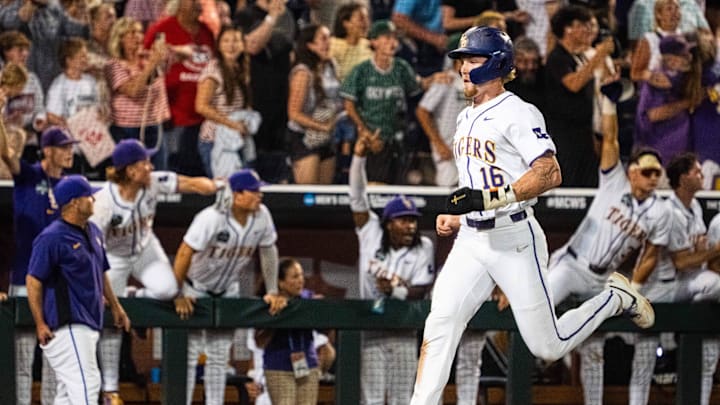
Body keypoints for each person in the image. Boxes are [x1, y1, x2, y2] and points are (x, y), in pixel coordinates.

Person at [409, 26, 655, 405]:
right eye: (461, 60)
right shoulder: (464, 117)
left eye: (471, 60)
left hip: (514, 239)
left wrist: (490, 200)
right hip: (472, 240)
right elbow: (479, 186)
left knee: (548, 345)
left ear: (496, 64)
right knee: (440, 324)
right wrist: (462, 216)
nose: (462, 68)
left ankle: (613, 299)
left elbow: (550, 173)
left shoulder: (519, 112)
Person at [546, 109, 672, 405]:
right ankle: (540, 363)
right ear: (632, 171)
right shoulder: (614, 181)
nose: (653, 177)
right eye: (647, 171)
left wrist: (636, 287)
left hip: (602, 279)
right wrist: (610, 105)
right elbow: (611, 139)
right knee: (538, 309)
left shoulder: (661, 210)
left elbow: (651, 253)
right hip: (572, 265)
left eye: (657, 172)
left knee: (594, 349)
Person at [90, 139, 221, 403]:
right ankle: (111, 388)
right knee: (112, 322)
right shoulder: (103, 202)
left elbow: (193, 183)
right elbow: (94, 251)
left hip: (145, 249)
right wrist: (101, 288)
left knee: (169, 289)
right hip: (113, 257)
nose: (150, 166)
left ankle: (134, 296)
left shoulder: (153, 182)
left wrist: (216, 185)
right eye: (144, 163)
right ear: (130, 171)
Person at [172, 168, 287, 405]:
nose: (260, 196)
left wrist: (273, 290)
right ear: (237, 195)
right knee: (190, 354)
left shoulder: (262, 215)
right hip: (196, 287)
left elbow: (268, 251)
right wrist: (178, 292)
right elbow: (184, 252)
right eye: (254, 192)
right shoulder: (211, 218)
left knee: (219, 355)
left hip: (228, 290)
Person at [26, 174, 131, 404]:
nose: (93, 198)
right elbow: (33, 280)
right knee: (88, 383)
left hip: (89, 322)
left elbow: (101, 271)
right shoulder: (51, 237)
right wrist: (40, 323)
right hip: (67, 325)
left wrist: (116, 306)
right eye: (88, 196)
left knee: (67, 394)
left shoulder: (93, 230)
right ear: (74, 202)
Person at [349, 129, 436, 404]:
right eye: (403, 219)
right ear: (388, 222)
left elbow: (421, 291)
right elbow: (357, 198)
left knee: (402, 399)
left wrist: (394, 290)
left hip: (402, 330)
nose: (410, 224)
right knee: (371, 400)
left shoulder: (424, 246)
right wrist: (358, 159)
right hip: (371, 330)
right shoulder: (371, 232)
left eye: (412, 219)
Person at [627, 152, 720, 405]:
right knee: (644, 358)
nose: (702, 176)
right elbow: (681, 262)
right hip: (659, 288)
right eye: (696, 172)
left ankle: (690, 321)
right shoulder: (670, 211)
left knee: (713, 286)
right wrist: (713, 250)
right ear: (682, 179)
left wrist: (703, 252)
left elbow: (694, 257)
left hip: (683, 285)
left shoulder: (696, 207)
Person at [0, 123, 78, 405]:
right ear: (47, 150)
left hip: (59, 285)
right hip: (25, 277)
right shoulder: (31, 176)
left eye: (71, 146)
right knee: (22, 359)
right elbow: (6, 154)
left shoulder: (72, 186)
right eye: (64, 147)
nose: (70, 152)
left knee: (55, 362)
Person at [340, 20, 424, 184]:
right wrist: (365, 132)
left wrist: (435, 79)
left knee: (400, 186)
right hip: (374, 139)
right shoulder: (362, 70)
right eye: (386, 38)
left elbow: (416, 87)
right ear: (374, 41)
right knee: (375, 186)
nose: (392, 42)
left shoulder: (402, 67)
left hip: (399, 138)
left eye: (394, 38)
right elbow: (349, 105)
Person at [545, 4, 614, 187]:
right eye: (581, 25)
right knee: (571, 184)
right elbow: (573, 84)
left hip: (585, 133)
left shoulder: (580, 56)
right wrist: (599, 55)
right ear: (567, 29)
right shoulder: (557, 58)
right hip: (564, 137)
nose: (587, 30)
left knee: (589, 183)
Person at [144, 0, 215, 174]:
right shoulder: (162, 29)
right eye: (193, 2)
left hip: (204, 116)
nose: (198, 6)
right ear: (181, 3)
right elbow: (144, 61)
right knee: (173, 170)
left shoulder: (206, 32)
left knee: (200, 170)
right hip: (174, 117)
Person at [106, 16, 170, 169]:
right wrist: (151, 65)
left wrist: (161, 56)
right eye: (132, 33)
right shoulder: (114, 65)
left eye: (140, 32)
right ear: (120, 38)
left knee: (158, 172)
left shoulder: (148, 58)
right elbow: (133, 91)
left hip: (154, 125)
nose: (138, 37)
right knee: (132, 173)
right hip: (127, 130)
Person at [255, 258, 320, 405]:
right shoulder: (268, 303)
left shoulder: (309, 299)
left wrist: (320, 306)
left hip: (308, 367)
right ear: (280, 283)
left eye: (302, 275)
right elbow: (259, 341)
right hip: (279, 368)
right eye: (295, 276)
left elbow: (327, 331)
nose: (301, 280)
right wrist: (277, 315)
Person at [195, 25, 254, 178]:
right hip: (215, 140)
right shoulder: (213, 70)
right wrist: (231, 123)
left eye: (235, 41)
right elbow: (201, 106)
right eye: (226, 41)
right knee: (227, 190)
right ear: (219, 45)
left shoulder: (241, 68)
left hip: (237, 139)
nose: (231, 45)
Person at [287, 24, 341, 184]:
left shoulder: (331, 66)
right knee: (308, 195)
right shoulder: (303, 73)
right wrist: (321, 126)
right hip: (304, 138)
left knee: (324, 195)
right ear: (310, 45)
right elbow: (294, 113)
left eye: (329, 38)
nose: (328, 42)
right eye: (323, 39)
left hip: (326, 137)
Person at [415, 36, 464, 187]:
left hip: (469, 150)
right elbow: (422, 111)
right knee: (448, 194)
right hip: (447, 149)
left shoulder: (477, 83)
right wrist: (438, 144)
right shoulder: (445, 80)